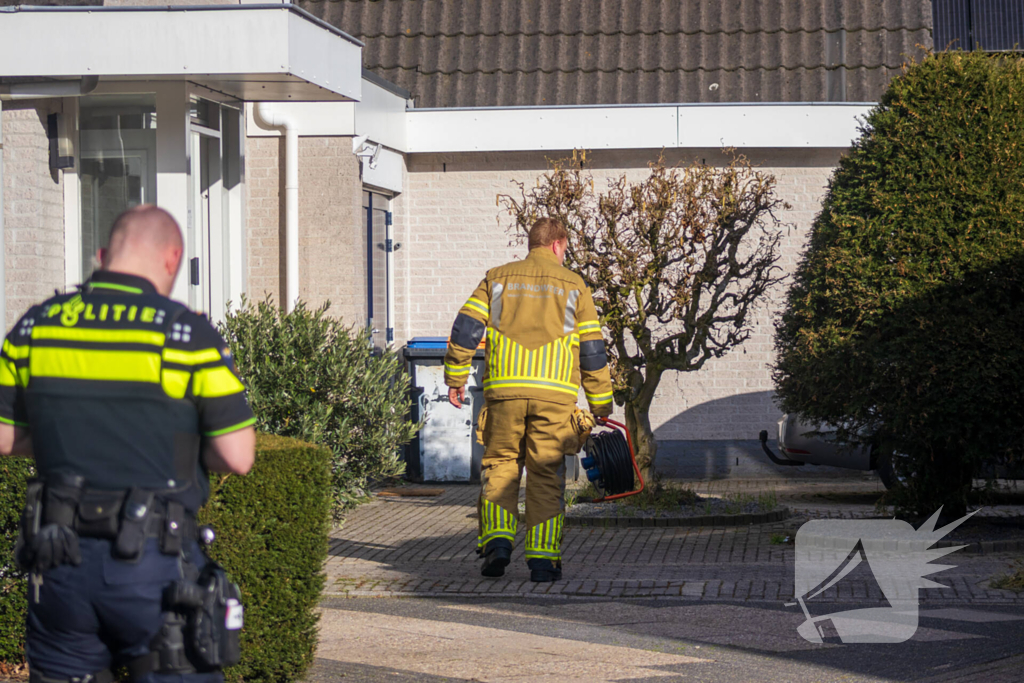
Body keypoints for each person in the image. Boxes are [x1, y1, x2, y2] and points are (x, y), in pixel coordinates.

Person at [0, 205, 256, 683]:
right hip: (154, 566)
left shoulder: (36, 326)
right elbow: (237, 457)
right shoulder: (185, 335)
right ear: (172, 259)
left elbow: (4, 434)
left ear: (101, 256)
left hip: (58, 566)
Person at [444, 217, 613, 582]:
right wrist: (601, 404)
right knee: (546, 474)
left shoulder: (497, 278)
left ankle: (497, 544)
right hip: (555, 398)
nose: (565, 255)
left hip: (504, 393)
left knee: (501, 467)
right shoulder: (574, 285)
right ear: (557, 244)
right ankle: (541, 562)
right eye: (565, 249)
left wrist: (456, 377)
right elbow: (592, 351)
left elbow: (466, 328)